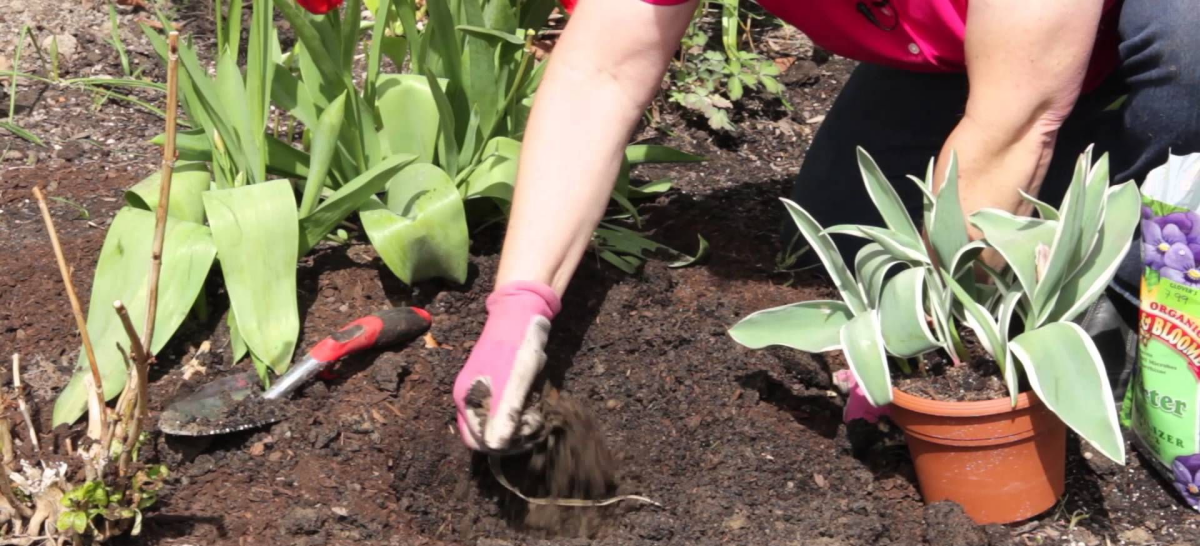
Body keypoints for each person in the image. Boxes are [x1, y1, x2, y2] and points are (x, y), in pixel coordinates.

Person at [453, 0, 1200, 452]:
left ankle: (1141, 280)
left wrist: (913, 327)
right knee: (837, 225)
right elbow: (601, 74)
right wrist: (521, 304)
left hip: (1139, 32)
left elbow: (1018, 118)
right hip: (959, 44)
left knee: (1186, 47)